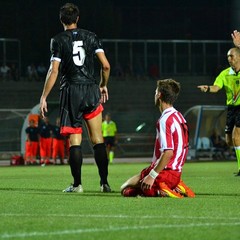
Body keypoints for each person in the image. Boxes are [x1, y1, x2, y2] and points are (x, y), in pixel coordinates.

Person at [39, 3, 111, 193]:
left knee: (75, 142)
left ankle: (77, 184)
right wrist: (103, 85)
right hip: (91, 89)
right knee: (98, 139)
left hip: (72, 91)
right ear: (77, 19)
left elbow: (54, 71)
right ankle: (104, 183)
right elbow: (105, 66)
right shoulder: (91, 36)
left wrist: (44, 96)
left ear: (61, 20)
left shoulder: (57, 40)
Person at [121, 79, 195, 198]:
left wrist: (152, 175)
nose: (154, 94)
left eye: (155, 92)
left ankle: (162, 189)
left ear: (159, 94)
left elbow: (168, 152)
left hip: (164, 172)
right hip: (176, 173)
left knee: (126, 191)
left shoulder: (165, 120)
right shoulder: (179, 116)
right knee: (131, 185)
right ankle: (174, 185)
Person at [198, 47, 240, 176]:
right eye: (228, 56)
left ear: (238, 57)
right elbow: (217, 87)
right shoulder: (225, 73)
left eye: (231, 56)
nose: (229, 59)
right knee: (229, 141)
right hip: (231, 109)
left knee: (236, 136)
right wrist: (208, 88)